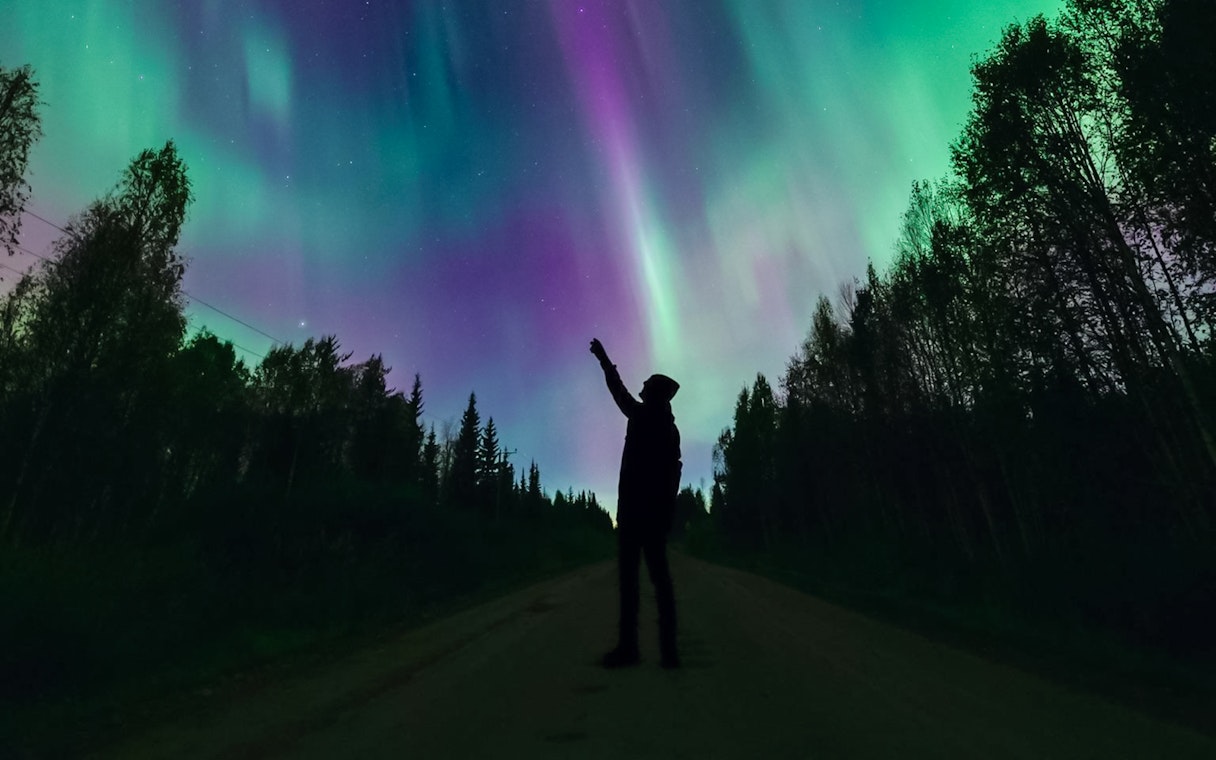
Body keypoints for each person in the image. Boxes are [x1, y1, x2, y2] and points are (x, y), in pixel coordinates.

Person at [589, 338, 682, 669]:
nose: (640, 387)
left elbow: (618, 391)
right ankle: (669, 652)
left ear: (654, 393)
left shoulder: (642, 416)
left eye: (646, 385)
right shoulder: (671, 430)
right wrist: (668, 514)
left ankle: (629, 649)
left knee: (630, 584)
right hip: (655, 517)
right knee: (661, 582)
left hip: (634, 515)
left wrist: (604, 359)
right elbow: (675, 475)